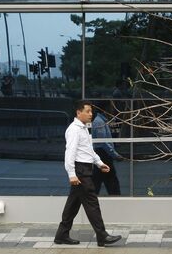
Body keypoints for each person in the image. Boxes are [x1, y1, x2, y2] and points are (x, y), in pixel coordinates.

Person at [54, 101, 122, 247]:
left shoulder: (83, 128)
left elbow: (88, 150)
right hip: (80, 171)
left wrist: (99, 162)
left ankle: (61, 235)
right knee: (92, 203)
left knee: (73, 204)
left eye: (91, 111)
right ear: (79, 113)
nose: (91, 114)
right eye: (88, 111)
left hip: (85, 168)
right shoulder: (74, 130)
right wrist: (71, 174)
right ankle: (102, 236)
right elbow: (70, 153)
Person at [91, 109, 122, 195]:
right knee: (110, 178)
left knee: (98, 178)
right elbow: (103, 141)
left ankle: (91, 196)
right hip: (103, 153)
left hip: (103, 152)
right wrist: (114, 154)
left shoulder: (101, 121)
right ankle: (116, 198)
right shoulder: (99, 122)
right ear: (104, 110)